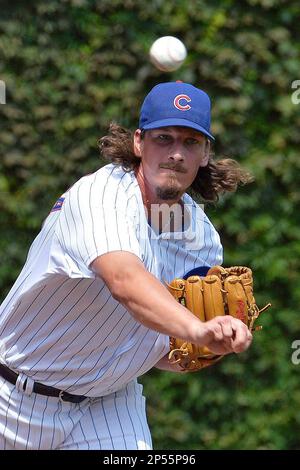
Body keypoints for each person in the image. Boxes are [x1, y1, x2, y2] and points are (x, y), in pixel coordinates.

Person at [0, 81, 253, 450]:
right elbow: (124, 280)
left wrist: (215, 339)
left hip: (108, 404)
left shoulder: (201, 239)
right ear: (139, 143)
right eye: (163, 138)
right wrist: (198, 329)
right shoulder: (101, 196)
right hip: (12, 398)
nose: (176, 154)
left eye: (190, 142)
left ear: (204, 154)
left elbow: (168, 344)